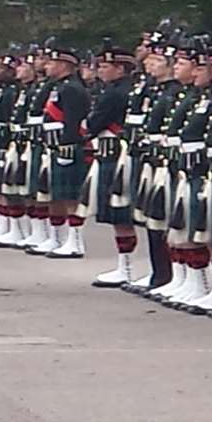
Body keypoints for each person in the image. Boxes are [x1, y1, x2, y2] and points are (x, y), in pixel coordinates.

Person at [88, 41, 144, 286]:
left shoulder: (114, 93)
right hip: (115, 153)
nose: (100, 70)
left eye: (105, 66)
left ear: (120, 69)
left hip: (114, 154)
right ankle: (125, 267)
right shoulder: (124, 89)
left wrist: (85, 128)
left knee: (119, 216)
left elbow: (93, 124)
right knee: (120, 216)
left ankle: (127, 268)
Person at [34, 43, 92, 259]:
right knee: (55, 195)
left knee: (70, 197)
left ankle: (75, 240)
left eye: (51, 62)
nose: (46, 66)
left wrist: (68, 144)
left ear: (64, 65)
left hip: (67, 146)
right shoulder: (59, 86)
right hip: (54, 144)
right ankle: (57, 237)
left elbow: (73, 120)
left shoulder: (73, 89)